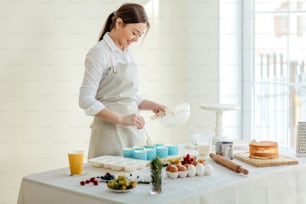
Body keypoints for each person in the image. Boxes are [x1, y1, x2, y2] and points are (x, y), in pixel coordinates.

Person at [79, 3, 166, 159]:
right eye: (134, 33)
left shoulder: (126, 53)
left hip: (133, 130)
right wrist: (121, 119)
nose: (136, 39)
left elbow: (128, 96)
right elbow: (85, 100)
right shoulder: (99, 53)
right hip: (109, 133)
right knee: (112, 180)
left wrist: (151, 105)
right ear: (119, 23)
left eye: (140, 35)